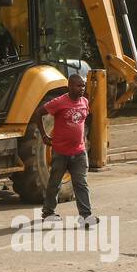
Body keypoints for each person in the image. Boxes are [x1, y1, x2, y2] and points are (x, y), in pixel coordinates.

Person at [37, 74, 96, 228]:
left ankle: (86, 216)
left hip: (79, 152)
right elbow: (38, 113)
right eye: (78, 86)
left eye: (83, 86)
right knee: (54, 184)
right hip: (61, 152)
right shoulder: (60, 102)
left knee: (81, 184)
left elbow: (82, 122)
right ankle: (48, 213)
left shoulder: (84, 102)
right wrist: (44, 135)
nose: (82, 89)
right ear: (70, 86)